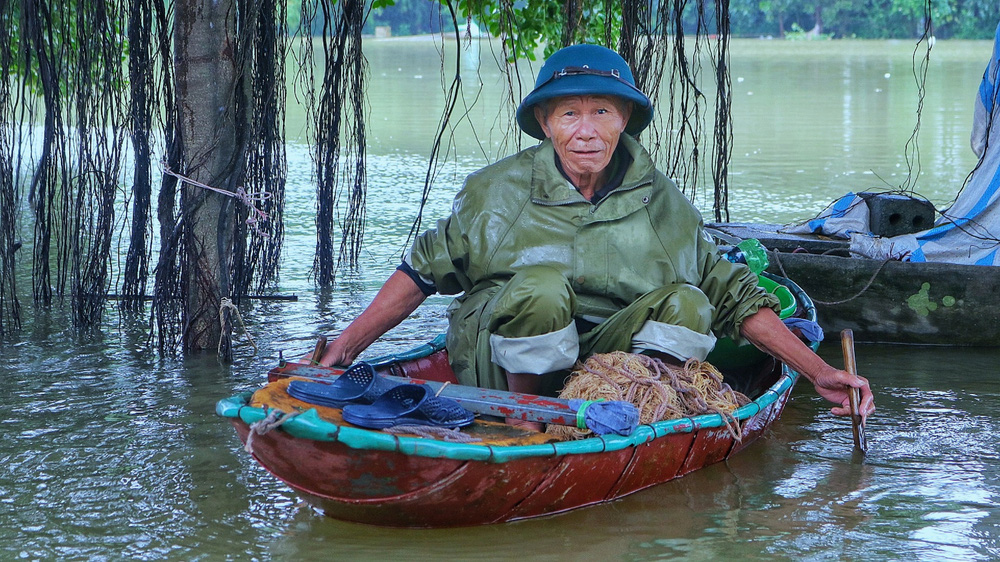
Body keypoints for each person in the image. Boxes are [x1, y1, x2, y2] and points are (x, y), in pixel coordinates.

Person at [317, 44, 875, 427]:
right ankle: (532, 422)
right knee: (540, 288)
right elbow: (420, 272)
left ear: (625, 118)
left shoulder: (664, 204)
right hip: (505, 367)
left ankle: (642, 411)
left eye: (602, 111)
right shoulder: (496, 192)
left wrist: (822, 372)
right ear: (544, 123)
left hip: (610, 368)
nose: (585, 131)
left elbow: (730, 293)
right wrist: (341, 352)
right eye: (568, 114)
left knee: (689, 300)